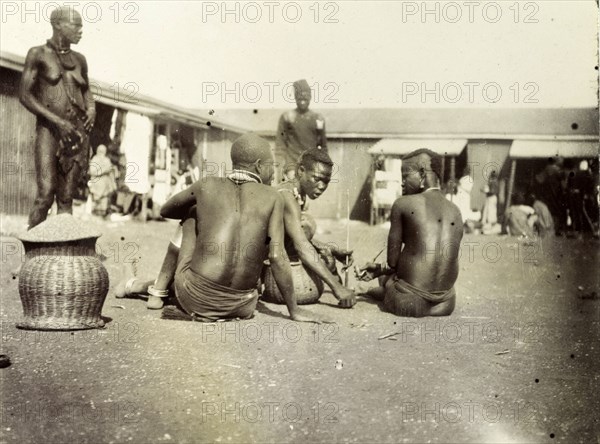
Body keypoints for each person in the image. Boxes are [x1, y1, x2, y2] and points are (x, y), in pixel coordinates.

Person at [116, 134, 322, 323]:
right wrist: (294, 311)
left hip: (193, 298)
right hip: (243, 305)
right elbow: (278, 257)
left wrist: (210, 213)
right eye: (271, 166)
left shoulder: (206, 184)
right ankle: (142, 286)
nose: (273, 172)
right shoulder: (273, 197)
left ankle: (154, 289)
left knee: (191, 211)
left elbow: (166, 210)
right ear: (259, 167)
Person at [356, 149, 463, 317]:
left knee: (386, 281)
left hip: (408, 302)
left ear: (422, 174)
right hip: (446, 304)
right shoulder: (455, 211)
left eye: (405, 176)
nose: (402, 183)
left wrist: (380, 270)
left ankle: (369, 291)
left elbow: (392, 262)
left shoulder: (403, 204)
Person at [19, 6, 95, 229]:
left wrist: (92, 109)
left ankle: (63, 255)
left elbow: (87, 91)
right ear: (58, 25)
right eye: (76, 26)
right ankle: (31, 252)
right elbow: (24, 95)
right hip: (49, 131)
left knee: (66, 199)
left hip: (77, 133)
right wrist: (57, 122)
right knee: (45, 194)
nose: (81, 31)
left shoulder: (80, 59)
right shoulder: (38, 54)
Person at [276, 149, 357, 308]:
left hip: (278, 252)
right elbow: (301, 247)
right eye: (317, 179)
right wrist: (337, 288)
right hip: (263, 263)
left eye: (326, 181)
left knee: (327, 256)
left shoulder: (298, 194)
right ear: (301, 171)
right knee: (308, 226)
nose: (321, 186)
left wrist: (329, 248)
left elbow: (292, 236)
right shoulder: (287, 195)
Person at [275, 79, 327, 182]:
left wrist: (322, 167)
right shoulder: (287, 117)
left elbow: (323, 146)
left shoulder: (317, 119)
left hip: (310, 166)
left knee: (304, 195)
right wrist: (281, 167)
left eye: (306, 96)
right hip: (292, 165)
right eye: (299, 96)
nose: (302, 99)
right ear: (295, 97)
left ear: (310, 97)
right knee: (292, 192)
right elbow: (280, 145)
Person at [88, 144, 117, 217]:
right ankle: (95, 211)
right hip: (97, 183)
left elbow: (110, 171)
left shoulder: (107, 160)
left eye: (103, 151)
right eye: (100, 150)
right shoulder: (95, 159)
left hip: (105, 184)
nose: (101, 152)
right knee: (96, 199)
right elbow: (92, 171)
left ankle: (103, 212)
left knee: (104, 199)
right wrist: (103, 170)